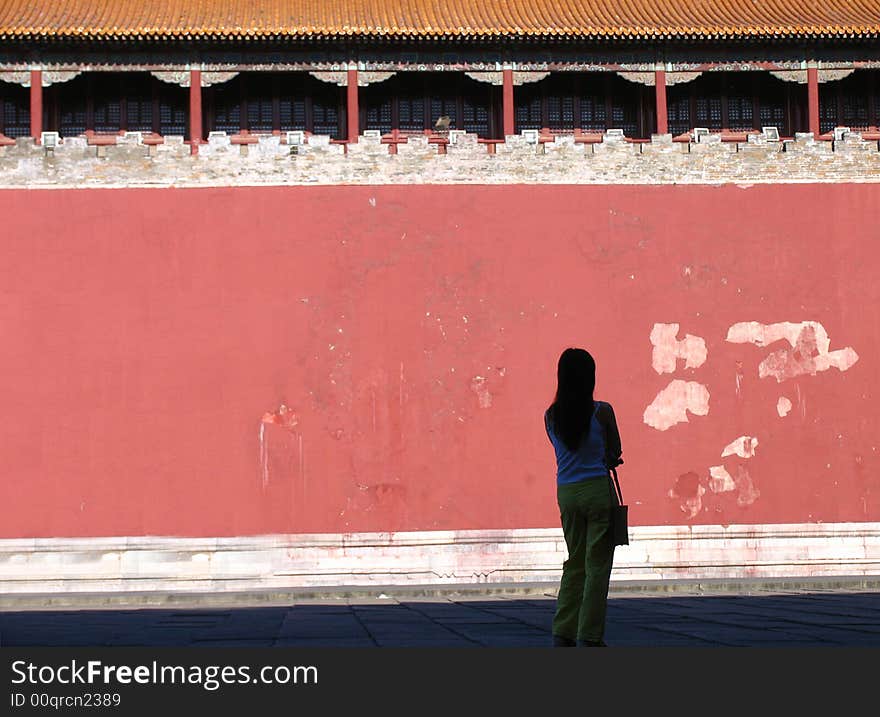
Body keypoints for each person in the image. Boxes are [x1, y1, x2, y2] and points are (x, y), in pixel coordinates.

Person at [544, 347, 623, 647]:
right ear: (590, 377)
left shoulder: (550, 416)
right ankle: (589, 635)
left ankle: (562, 630)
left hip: (566, 493)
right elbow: (614, 451)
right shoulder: (602, 411)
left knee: (574, 562)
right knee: (597, 566)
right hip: (596, 492)